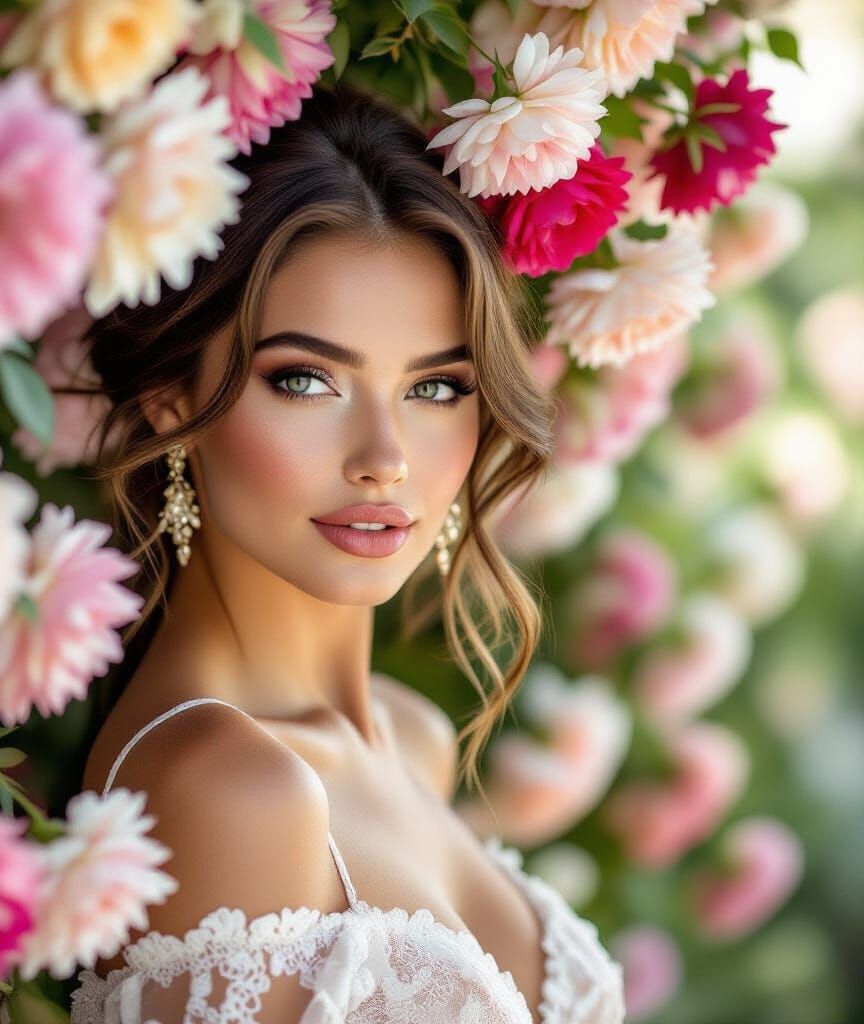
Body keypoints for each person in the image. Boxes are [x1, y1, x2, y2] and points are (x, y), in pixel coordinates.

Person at [70, 81, 625, 1023]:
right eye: (306, 380)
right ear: (170, 398)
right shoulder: (226, 787)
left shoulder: (413, 740)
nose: (384, 460)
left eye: (437, 389)